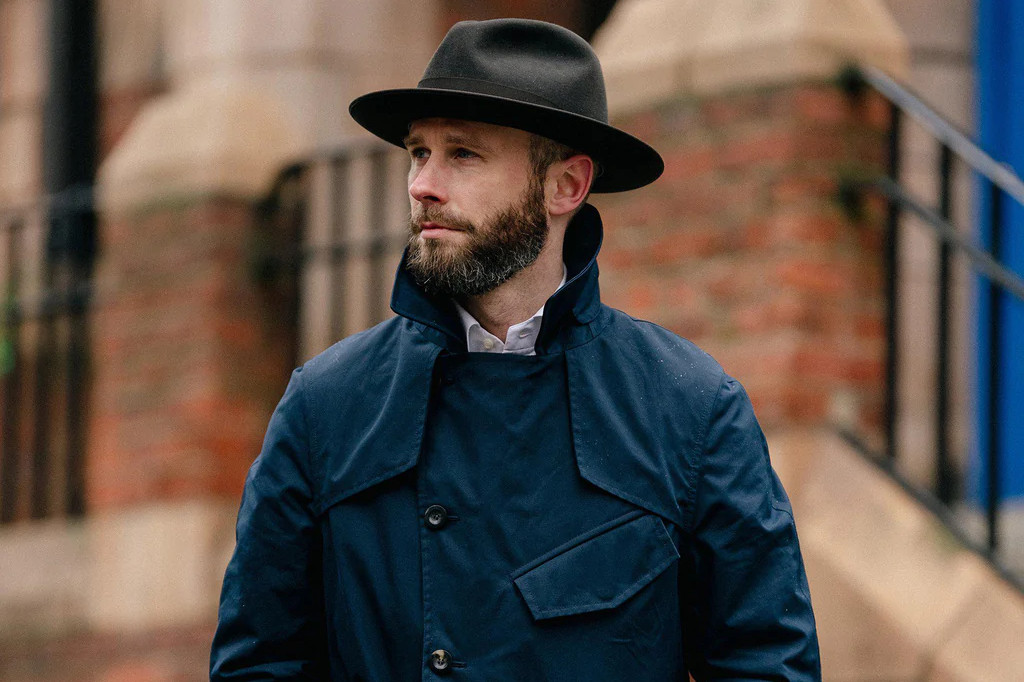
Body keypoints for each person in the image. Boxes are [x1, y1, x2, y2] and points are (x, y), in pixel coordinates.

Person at [210, 18, 820, 681]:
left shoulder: (690, 409)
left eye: (463, 155)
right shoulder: (325, 407)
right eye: (418, 153)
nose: (423, 185)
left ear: (565, 186)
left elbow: (767, 665)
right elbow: (259, 667)